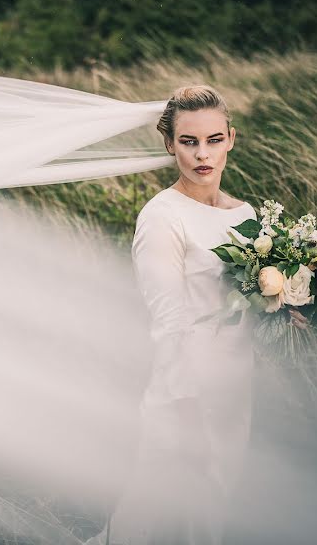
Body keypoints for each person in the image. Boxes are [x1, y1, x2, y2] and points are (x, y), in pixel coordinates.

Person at [85, 85, 272, 545]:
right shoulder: (163, 217)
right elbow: (168, 321)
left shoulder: (247, 216)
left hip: (234, 388)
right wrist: (189, 406)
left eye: (213, 139)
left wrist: (283, 307)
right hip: (186, 395)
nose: (202, 154)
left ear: (231, 138)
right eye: (189, 142)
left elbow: (245, 300)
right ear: (169, 143)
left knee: (211, 511)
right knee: (165, 517)